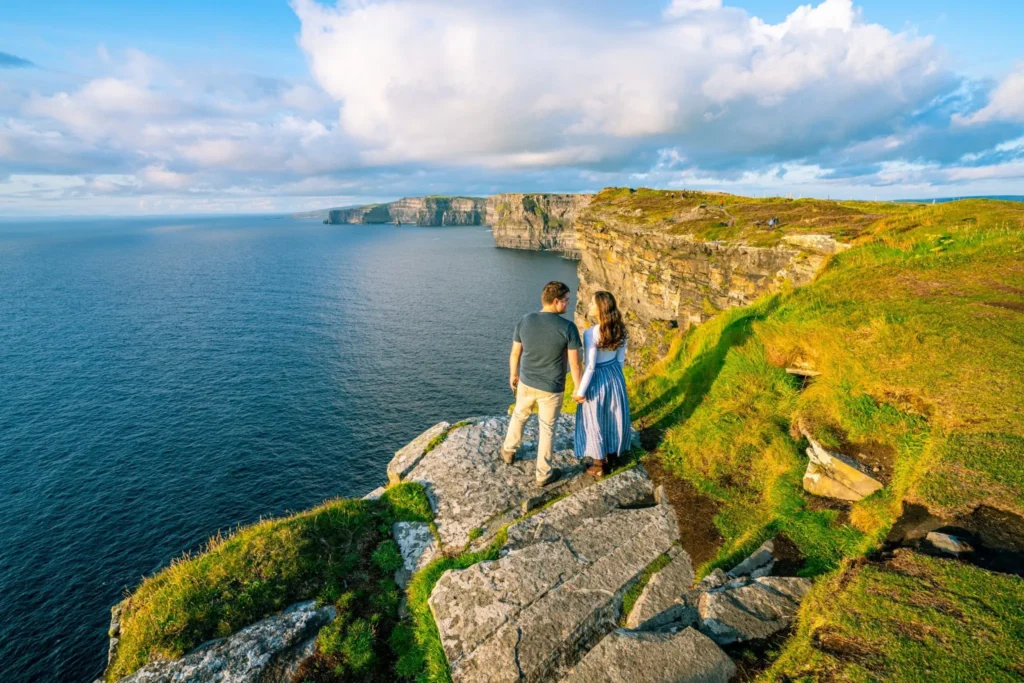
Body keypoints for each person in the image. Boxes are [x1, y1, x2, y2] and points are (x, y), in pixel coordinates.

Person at [501, 281, 583, 487]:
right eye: (566, 300)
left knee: (519, 415)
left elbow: (515, 353)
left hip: (526, 382)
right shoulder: (568, 328)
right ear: (556, 301)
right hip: (551, 388)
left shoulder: (525, 320)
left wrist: (513, 374)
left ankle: (508, 451)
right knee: (547, 428)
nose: (568, 303)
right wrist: (579, 388)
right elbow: (575, 364)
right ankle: (543, 473)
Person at [573, 291, 630, 478]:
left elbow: (590, 366)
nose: (589, 305)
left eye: (592, 303)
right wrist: (617, 380)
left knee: (595, 418)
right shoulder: (621, 329)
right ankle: (613, 452)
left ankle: (599, 464)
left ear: (600, 308)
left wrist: (580, 391)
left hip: (598, 376)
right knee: (613, 415)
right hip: (615, 374)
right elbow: (620, 359)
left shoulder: (591, 333)